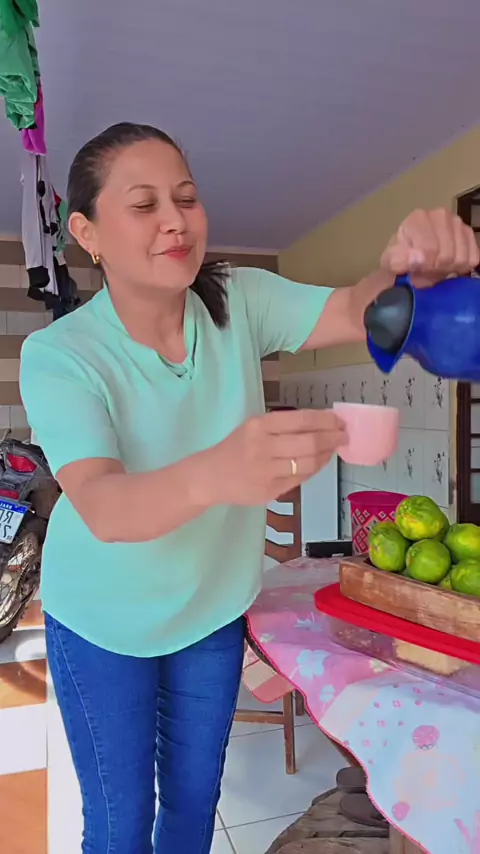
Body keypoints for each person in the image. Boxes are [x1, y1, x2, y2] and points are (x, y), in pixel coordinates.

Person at [19, 122, 479, 854]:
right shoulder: (59, 355)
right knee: (118, 824)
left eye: (186, 198)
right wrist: (219, 469)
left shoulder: (238, 297)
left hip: (211, 611)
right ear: (87, 233)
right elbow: (102, 505)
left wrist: (408, 276)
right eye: (144, 205)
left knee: (193, 808)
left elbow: (354, 308)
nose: (175, 220)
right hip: (103, 621)